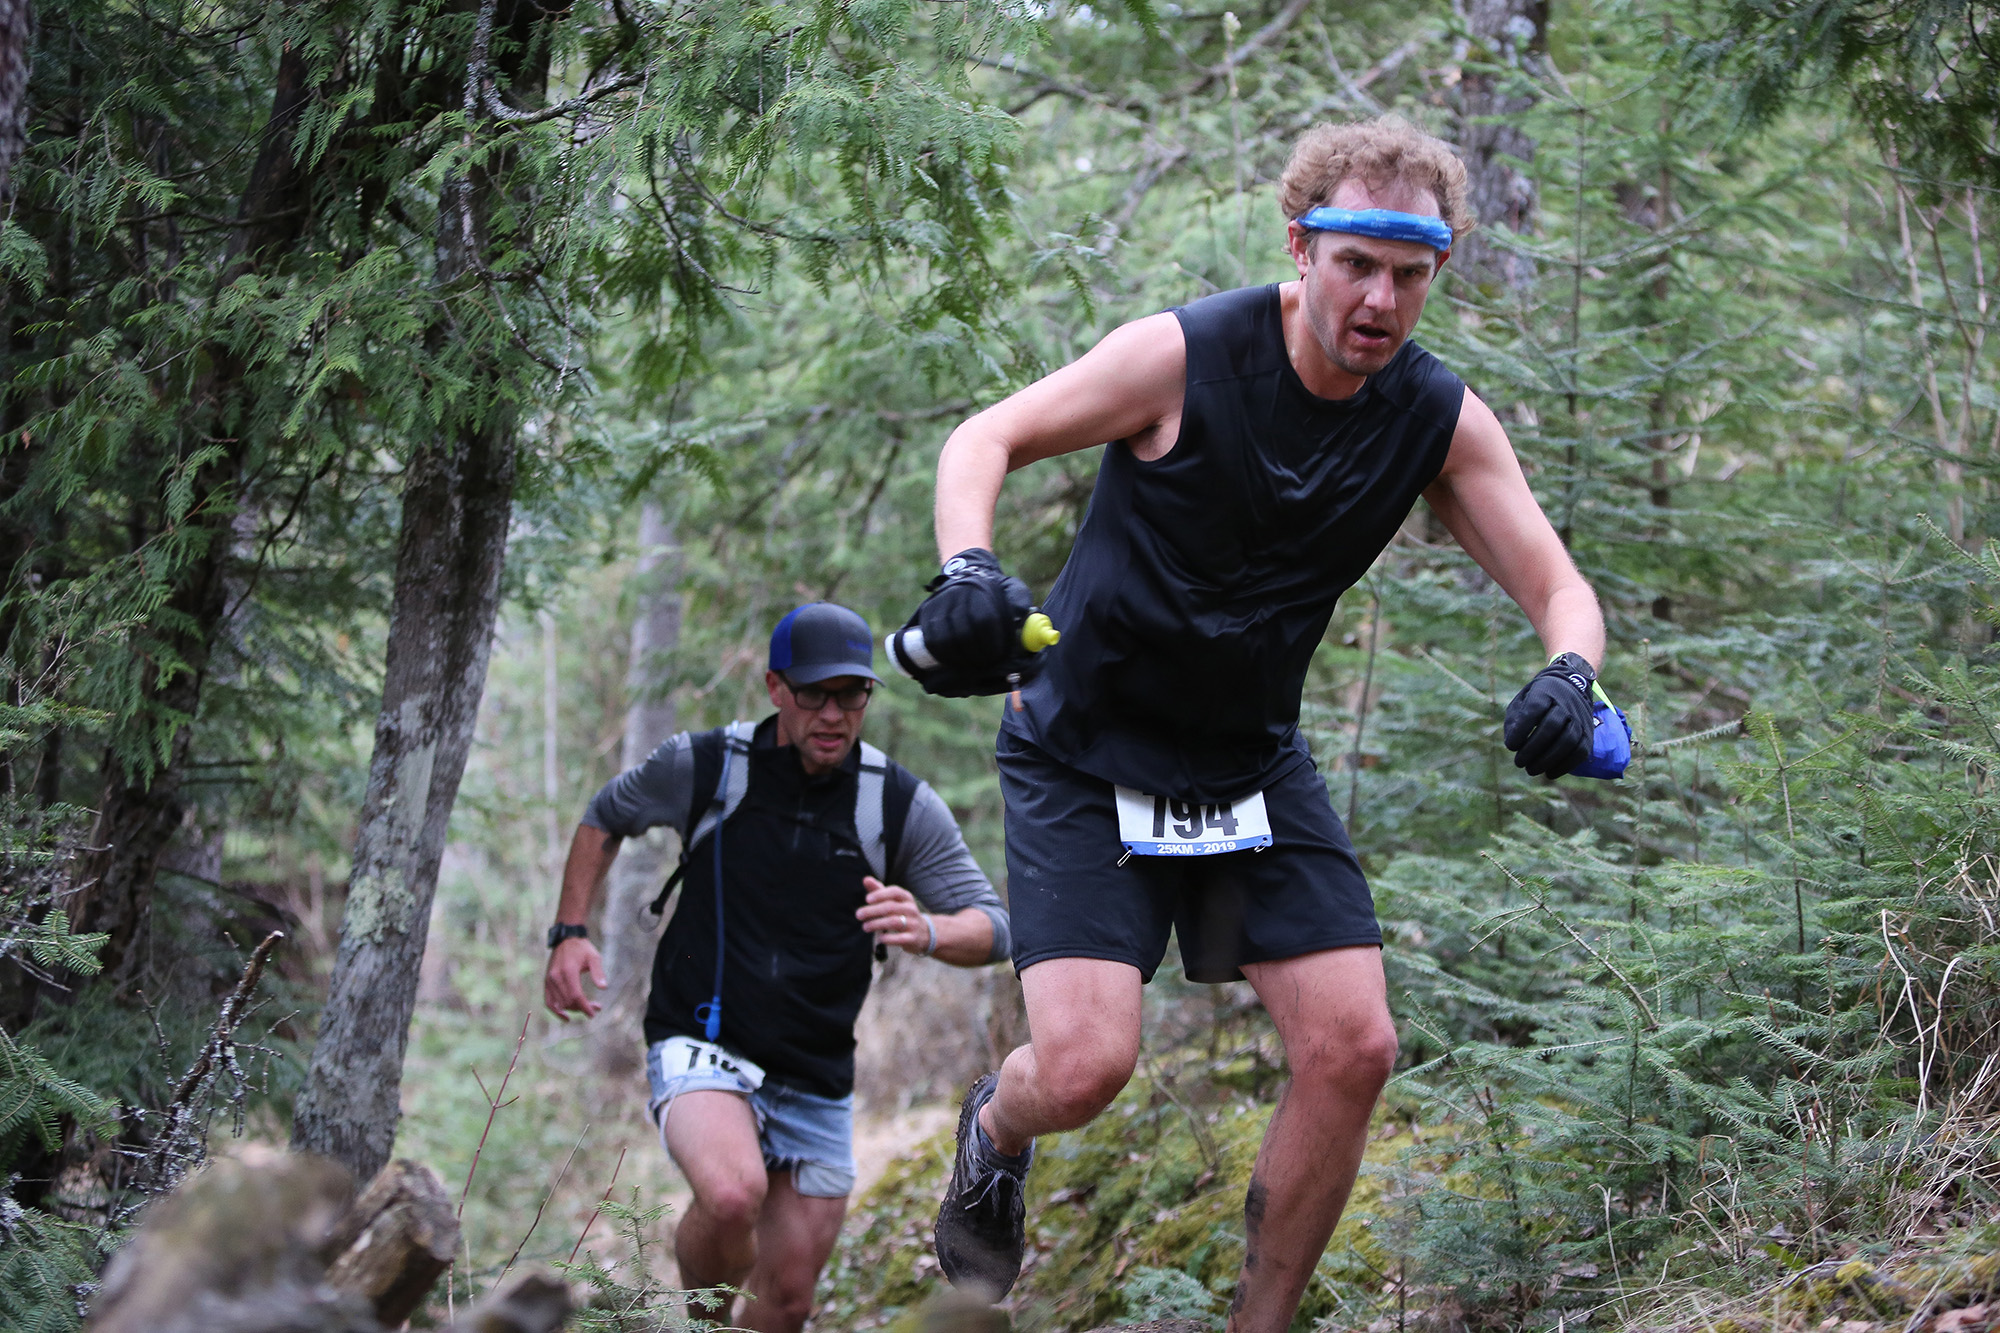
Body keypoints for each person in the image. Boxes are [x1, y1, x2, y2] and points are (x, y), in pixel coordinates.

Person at [901, 117, 1610, 1330]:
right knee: (1081, 1069)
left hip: (1246, 767)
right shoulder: (1184, 358)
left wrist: (1570, 672)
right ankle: (992, 1129)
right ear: (1301, 245)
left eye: (1410, 273)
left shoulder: (1434, 416)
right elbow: (987, 436)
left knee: (1354, 1048)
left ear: (1435, 272)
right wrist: (967, 569)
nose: (1380, 299)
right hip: (1085, 753)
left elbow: (1558, 585)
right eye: (1355, 264)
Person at [543, 602, 1012, 1333]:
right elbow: (606, 813)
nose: (833, 712)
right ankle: (702, 1321)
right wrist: (569, 930)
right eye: (813, 693)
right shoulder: (704, 766)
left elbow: (996, 926)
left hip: (816, 1073)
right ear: (775, 688)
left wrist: (926, 927)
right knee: (734, 1194)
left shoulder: (894, 801)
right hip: (702, 1037)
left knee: (787, 1301)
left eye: (850, 694)